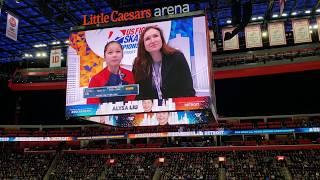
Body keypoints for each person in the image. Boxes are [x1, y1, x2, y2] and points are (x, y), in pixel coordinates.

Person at [132, 26, 195, 100]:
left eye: (155, 36)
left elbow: (188, 89)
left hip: (177, 106)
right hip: (150, 108)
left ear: (162, 39)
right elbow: (138, 93)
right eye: (147, 39)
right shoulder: (138, 64)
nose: (152, 41)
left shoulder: (177, 57)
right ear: (143, 44)